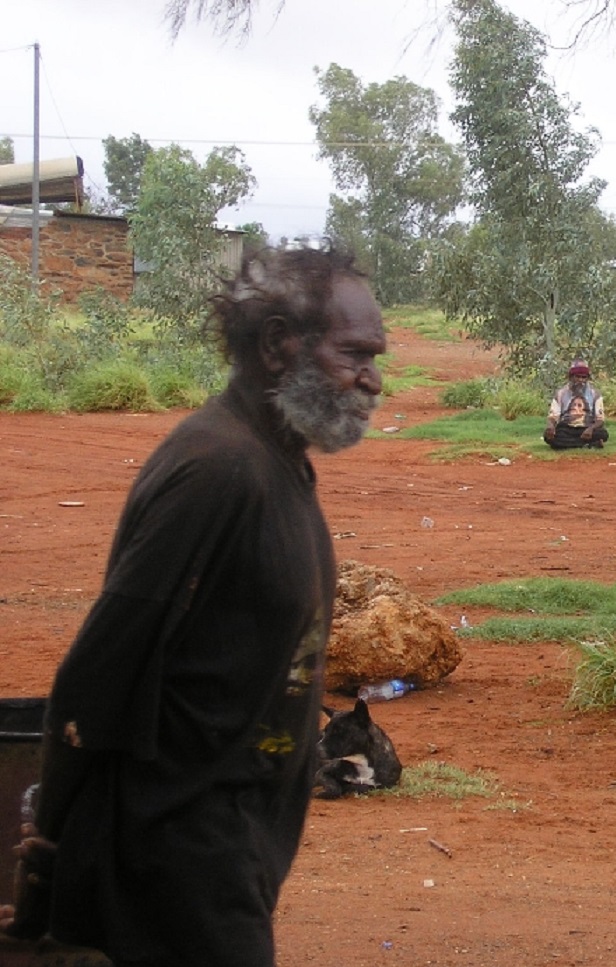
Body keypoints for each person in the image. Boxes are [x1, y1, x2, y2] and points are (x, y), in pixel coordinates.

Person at [0, 245, 386, 966]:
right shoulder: (217, 471)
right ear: (277, 345)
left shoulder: (278, 465)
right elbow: (94, 677)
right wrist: (49, 857)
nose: (373, 380)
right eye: (354, 354)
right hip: (173, 857)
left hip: (229, 849)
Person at [544, 359, 608, 449]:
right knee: (549, 436)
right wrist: (550, 427)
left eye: (584, 377)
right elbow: (553, 416)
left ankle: (568, 445)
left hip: (587, 427)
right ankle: (589, 444)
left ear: (587, 378)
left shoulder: (595, 394)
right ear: (571, 377)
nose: (581, 380)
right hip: (567, 428)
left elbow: (600, 420)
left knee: (602, 433)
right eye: (577, 377)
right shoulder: (560, 393)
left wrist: (591, 429)